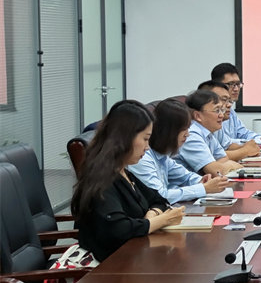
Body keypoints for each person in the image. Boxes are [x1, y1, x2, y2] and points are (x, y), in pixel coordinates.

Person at [71, 100, 185, 262]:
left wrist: (152, 215)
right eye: (145, 139)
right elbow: (119, 229)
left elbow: (159, 199)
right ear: (125, 138)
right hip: (106, 267)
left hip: (132, 257)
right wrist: (163, 220)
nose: (147, 147)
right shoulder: (102, 179)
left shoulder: (124, 172)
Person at [128, 99, 231, 204]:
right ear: (169, 131)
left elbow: (185, 177)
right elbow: (160, 195)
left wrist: (202, 181)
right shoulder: (141, 158)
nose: (187, 134)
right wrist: (204, 188)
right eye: (184, 129)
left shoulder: (162, 155)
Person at [175, 89, 243, 175]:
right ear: (198, 116)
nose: (221, 115)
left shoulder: (208, 133)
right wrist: (222, 166)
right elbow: (216, 171)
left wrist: (219, 166)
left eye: (222, 110)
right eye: (216, 111)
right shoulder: (191, 135)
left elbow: (224, 158)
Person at [211, 63, 261, 147]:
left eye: (238, 84)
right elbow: (225, 143)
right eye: (231, 84)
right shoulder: (211, 112)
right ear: (216, 86)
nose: (236, 89)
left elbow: (243, 133)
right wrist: (260, 142)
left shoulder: (231, 111)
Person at [197, 80, 260, 161]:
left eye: (229, 101)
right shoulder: (193, 132)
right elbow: (214, 158)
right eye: (223, 100)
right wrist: (246, 151)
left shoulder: (215, 125)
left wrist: (249, 147)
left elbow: (227, 146)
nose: (229, 105)